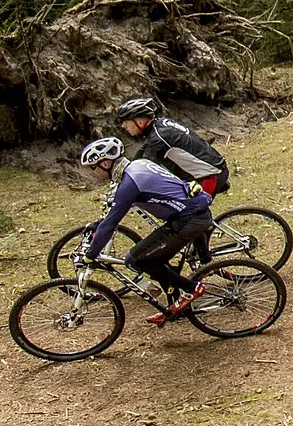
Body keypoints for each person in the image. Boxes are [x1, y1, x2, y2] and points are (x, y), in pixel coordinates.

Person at [76, 137, 215, 324]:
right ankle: (174, 303)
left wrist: (90, 254)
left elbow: (112, 223)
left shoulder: (130, 183)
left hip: (189, 220)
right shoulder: (138, 165)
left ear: (106, 164)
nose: (93, 172)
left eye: (93, 167)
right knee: (155, 258)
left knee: (134, 260)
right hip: (191, 214)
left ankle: (192, 288)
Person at [116, 98, 230, 264]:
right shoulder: (159, 126)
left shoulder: (158, 139)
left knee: (190, 214)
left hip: (210, 175)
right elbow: (142, 155)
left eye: (126, 122)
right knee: (189, 213)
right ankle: (200, 251)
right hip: (205, 170)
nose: (123, 126)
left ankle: (206, 262)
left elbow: (145, 169)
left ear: (140, 121)